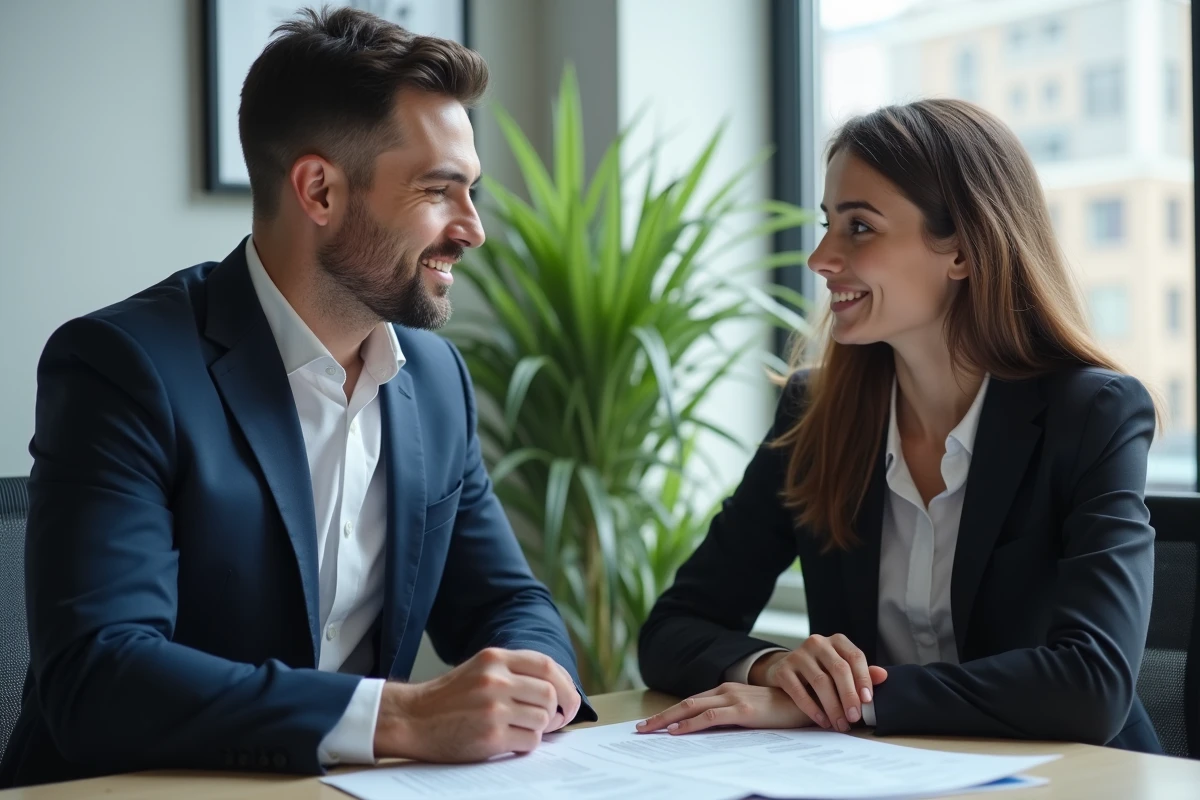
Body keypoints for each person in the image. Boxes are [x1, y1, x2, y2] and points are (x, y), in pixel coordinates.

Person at [0, 7, 593, 788]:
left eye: (472, 192)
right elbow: (100, 677)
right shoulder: (123, 367)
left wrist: (534, 679)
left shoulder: (435, 379)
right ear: (319, 190)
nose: (473, 229)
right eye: (439, 191)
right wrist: (402, 716)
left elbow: (507, 601)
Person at [636, 98, 1161, 754]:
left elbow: (1092, 683)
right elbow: (672, 629)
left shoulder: (1092, 415)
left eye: (859, 228)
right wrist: (777, 670)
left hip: (1076, 783)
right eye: (827, 223)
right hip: (886, 777)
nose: (821, 258)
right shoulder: (817, 413)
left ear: (963, 252)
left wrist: (846, 705)